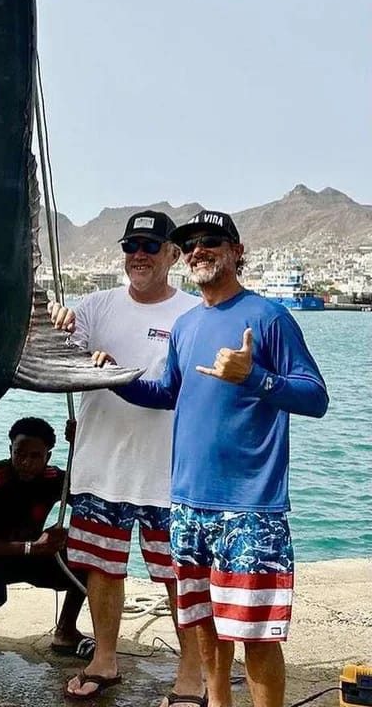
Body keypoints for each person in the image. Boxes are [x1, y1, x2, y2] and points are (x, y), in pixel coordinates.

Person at [102, 210, 328, 707]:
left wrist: (256, 377)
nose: (199, 250)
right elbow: (167, 392)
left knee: (255, 632)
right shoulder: (185, 325)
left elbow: (315, 397)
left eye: (212, 241)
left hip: (252, 507)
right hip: (186, 503)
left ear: (237, 251)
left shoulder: (269, 317)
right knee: (201, 620)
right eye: (191, 244)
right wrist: (114, 377)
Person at [49, 210, 204, 705]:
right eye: (131, 246)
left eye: (151, 246)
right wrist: (59, 325)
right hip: (102, 468)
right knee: (102, 569)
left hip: (170, 475)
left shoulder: (194, 314)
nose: (139, 255)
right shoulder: (95, 306)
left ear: (173, 255)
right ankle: (105, 659)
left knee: (179, 576)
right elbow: (56, 355)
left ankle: (192, 672)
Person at [0, 416, 90, 663]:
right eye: (19, 454)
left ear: (48, 456)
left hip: (31, 554)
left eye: (36, 456)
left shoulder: (55, 479)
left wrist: (83, 444)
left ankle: (66, 631)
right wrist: (32, 548)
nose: (26, 463)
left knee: (89, 560)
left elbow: (90, 494)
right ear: (10, 450)